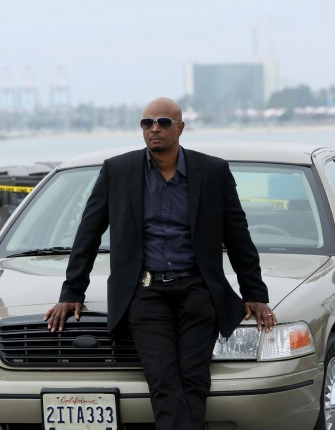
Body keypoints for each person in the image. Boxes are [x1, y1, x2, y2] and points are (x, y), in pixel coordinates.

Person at [44, 97, 276, 430]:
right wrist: (72, 291)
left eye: (164, 122)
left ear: (180, 128)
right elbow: (88, 233)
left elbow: (238, 235)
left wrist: (254, 293)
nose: (154, 129)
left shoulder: (212, 171)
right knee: (164, 381)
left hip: (198, 292)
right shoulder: (117, 171)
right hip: (145, 294)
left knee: (194, 380)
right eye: (147, 122)